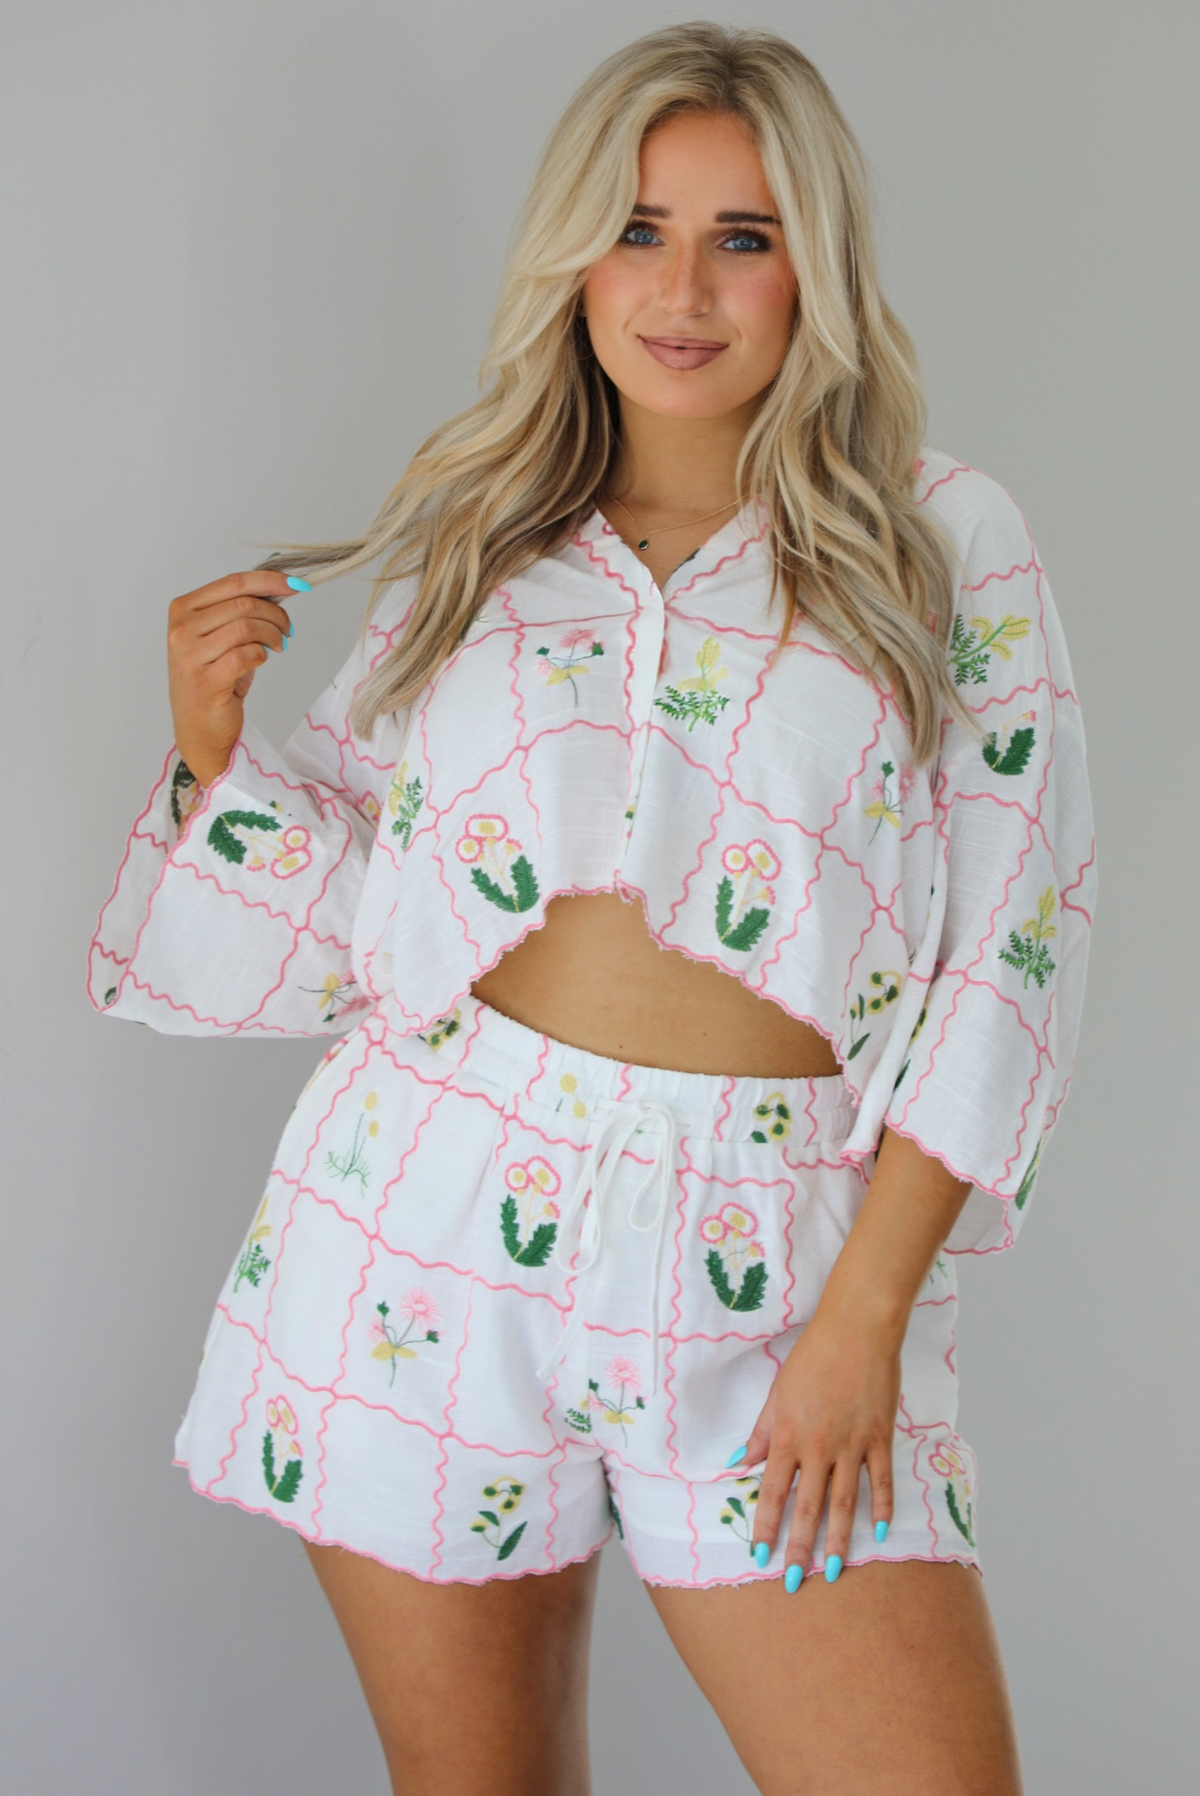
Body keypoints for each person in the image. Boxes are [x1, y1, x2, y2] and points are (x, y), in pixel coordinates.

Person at [86, 22, 1096, 1796]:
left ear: (817, 268)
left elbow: (1013, 939)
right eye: (639, 229)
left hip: (785, 1260)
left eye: (744, 235)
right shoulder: (482, 536)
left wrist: (863, 1319)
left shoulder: (943, 541)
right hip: (430, 1227)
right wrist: (206, 746)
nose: (683, 287)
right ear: (574, 258)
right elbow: (357, 922)